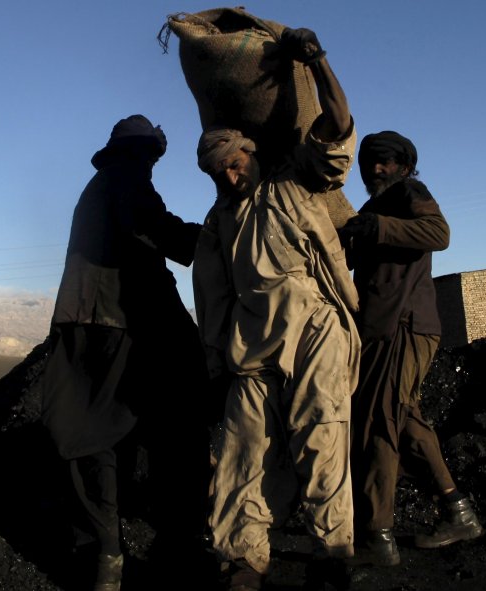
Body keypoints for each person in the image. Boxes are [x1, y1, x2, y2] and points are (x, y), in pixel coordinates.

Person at [192, 27, 360, 590]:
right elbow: (211, 296)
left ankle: (332, 549)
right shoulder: (220, 223)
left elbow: (335, 127)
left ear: (251, 152)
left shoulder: (294, 185)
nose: (231, 177)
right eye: (220, 174)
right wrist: (216, 358)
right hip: (251, 340)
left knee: (320, 433)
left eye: (235, 164)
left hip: (314, 326)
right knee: (243, 450)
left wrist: (317, 62)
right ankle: (245, 556)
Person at [41, 114, 211, 591]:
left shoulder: (96, 187)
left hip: (83, 324)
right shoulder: (127, 179)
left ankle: (105, 554)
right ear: (141, 153)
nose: (153, 163)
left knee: (93, 435)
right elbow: (151, 227)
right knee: (181, 422)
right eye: (152, 155)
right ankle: (177, 547)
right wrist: (208, 238)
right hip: (125, 322)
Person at [340, 131, 482, 566]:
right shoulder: (370, 209)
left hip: (406, 325)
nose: (375, 170)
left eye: (384, 162)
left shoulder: (409, 192)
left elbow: (438, 233)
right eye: (368, 163)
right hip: (379, 330)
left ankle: (376, 534)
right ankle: (457, 511)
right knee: (404, 419)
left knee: (381, 421)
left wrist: (380, 227)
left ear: (404, 165)